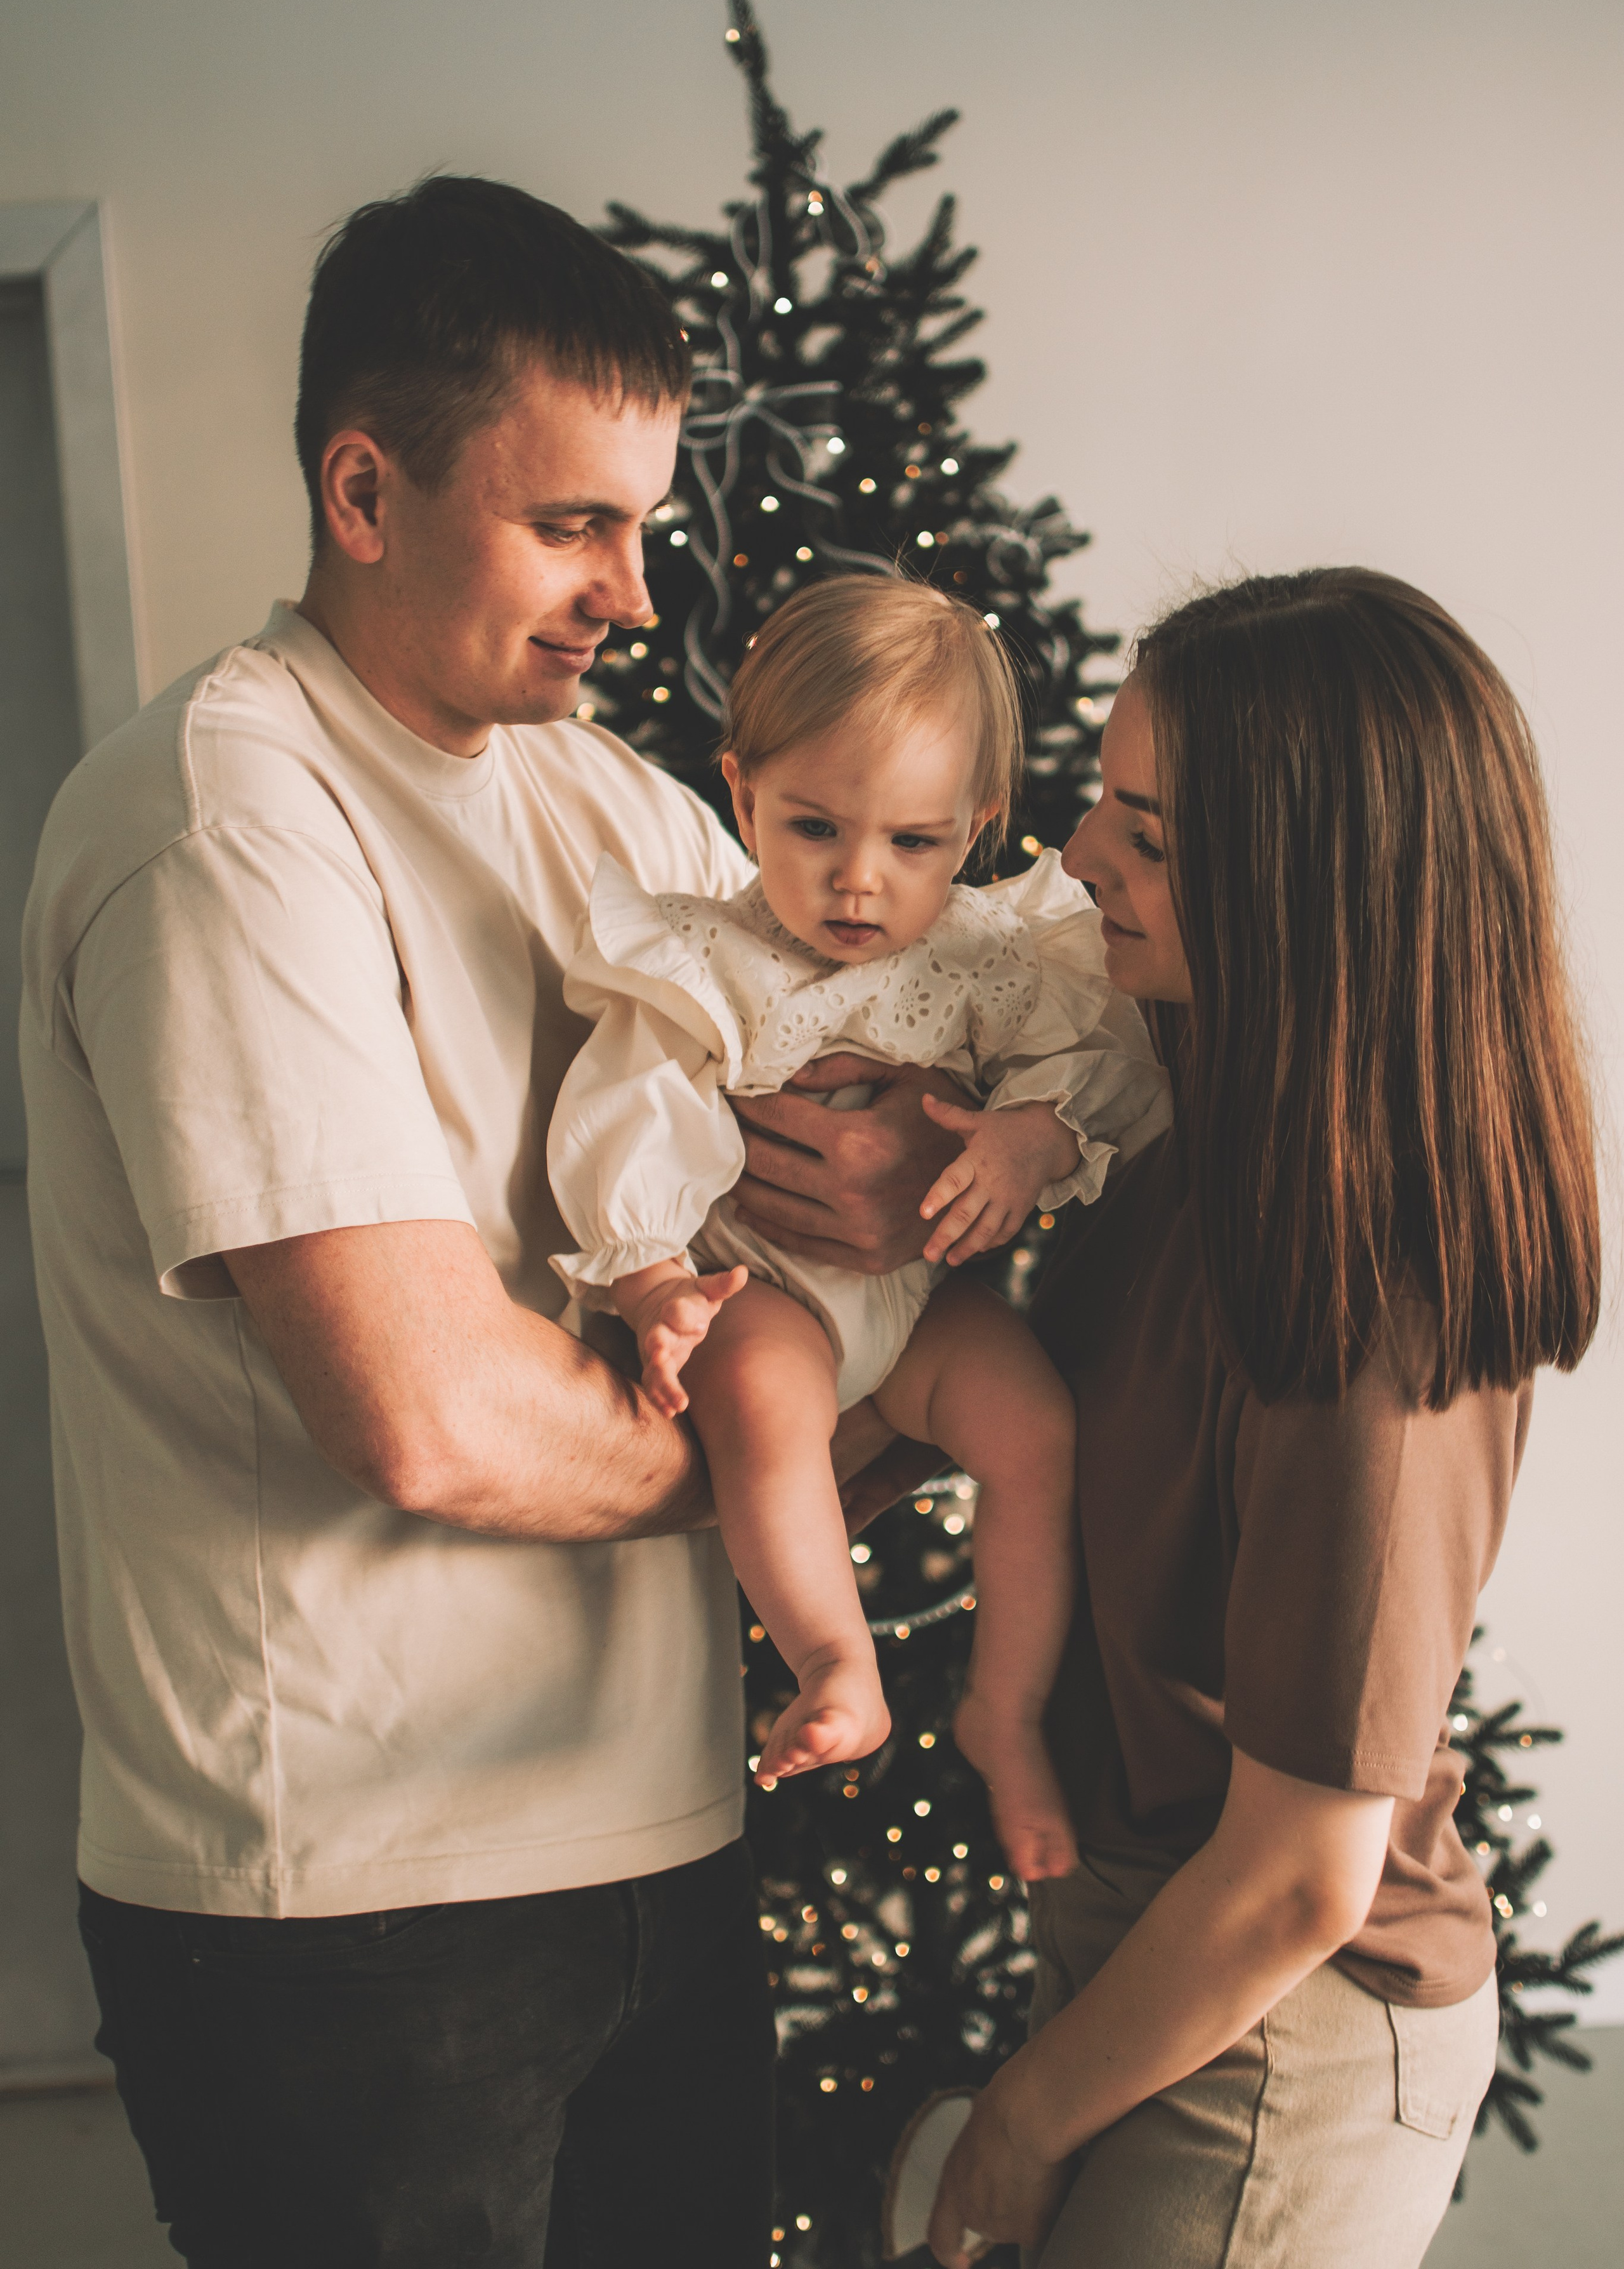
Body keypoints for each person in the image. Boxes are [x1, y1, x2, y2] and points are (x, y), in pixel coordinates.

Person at [20, 173, 961, 2269]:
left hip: (655, 1840)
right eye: (573, 527)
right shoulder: (223, 819)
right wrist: (819, 1451)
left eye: (642, 521)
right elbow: (430, 1417)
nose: (638, 595)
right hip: (349, 1910)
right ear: (364, 490)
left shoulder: (617, 806)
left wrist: (896, 1182)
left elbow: (860, 1152)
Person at [927, 569, 1601, 2269]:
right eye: (1101, 800)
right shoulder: (1180, 1112)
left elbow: (1304, 1875)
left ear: (1312, 889)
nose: (1081, 854)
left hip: (1285, 2018)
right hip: (1152, 1956)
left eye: (1147, 835)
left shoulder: (1374, 1316)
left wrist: (1019, 2121)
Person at [546, 574, 1171, 1878]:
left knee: (1035, 1430)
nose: (855, 882)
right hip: (762, 1287)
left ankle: (1000, 1712)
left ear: (975, 828)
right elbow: (625, 1112)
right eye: (813, 827)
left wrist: (1027, 1136)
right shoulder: (705, 959)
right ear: (740, 797)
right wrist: (655, 1279)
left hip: (918, 1309)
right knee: (768, 1408)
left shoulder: (988, 955)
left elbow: (1102, 1065)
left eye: (911, 843)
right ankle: (838, 1660)